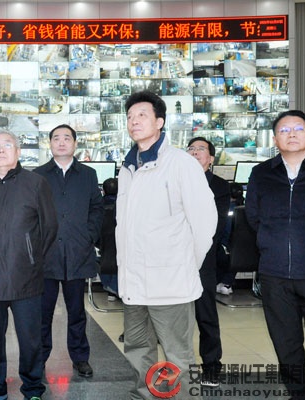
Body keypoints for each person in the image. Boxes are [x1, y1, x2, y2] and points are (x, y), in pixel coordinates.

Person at [115, 91, 217, 400]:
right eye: (130, 117)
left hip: (170, 284)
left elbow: (205, 224)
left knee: (177, 357)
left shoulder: (181, 164)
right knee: (138, 349)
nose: (134, 121)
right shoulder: (128, 167)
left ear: (160, 122)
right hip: (134, 282)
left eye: (142, 115)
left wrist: (184, 264)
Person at [246, 110, 305, 399]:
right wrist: (272, 243)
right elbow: (253, 217)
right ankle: (300, 395)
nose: (291, 134)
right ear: (275, 139)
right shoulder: (261, 174)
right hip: (275, 275)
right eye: (284, 130)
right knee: (286, 346)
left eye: (298, 129)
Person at [0, 130, 58, 400]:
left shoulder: (35, 183)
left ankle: (32, 388)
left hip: (25, 277)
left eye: (7, 145)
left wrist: (30, 257)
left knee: (30, 338)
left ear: (18, 152)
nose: (1, 150)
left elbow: (49, 228)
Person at [33, 124, 103, 378]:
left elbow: (97, 208)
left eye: (66, 138)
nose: (61, 142)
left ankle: (80, 357)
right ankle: (39, 358)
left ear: (75, 143)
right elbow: (30, 212)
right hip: (46, 256)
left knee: (77, 312)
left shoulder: (88, 174)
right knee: (43, 313)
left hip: (77, 253)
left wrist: (89, 236)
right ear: (49, 144)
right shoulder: (38, 175)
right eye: (56, 138)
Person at [186, 137, 230, 387]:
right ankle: (178, 366)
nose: (195, 152)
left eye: (200, 149)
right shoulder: (177, 181)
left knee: (206, 315)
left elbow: (216, 225)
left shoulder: (219, 186)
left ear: (211, 158)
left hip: (204, 257)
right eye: (191, 149)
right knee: (175, 317)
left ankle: (212, 366)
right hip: (176, 258)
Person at [98, 177, 119, 302]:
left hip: (103, 256)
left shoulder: (97, 207)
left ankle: (110, 288)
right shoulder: (125, 206)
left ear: (104, 191)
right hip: (122, 256)